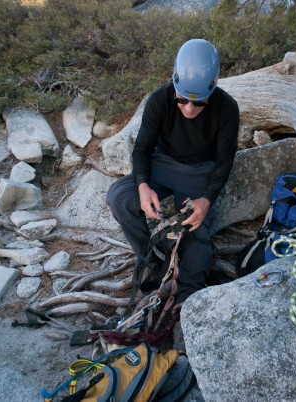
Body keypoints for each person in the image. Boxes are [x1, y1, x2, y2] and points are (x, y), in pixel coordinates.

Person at [106, 38, 240, 309]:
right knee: (119, 196)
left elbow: (225, 161)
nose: (189, 109)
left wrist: (207, 200)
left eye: (199, 103)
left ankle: (187, 300)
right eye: (182, 100)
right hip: (162, 163)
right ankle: (152, 259)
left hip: (199, 171)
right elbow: (142, 148)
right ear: (174, 82)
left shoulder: (227, 109)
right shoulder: (159, 100)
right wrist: (143, 185)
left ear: (213, 87)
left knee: (196, 233)